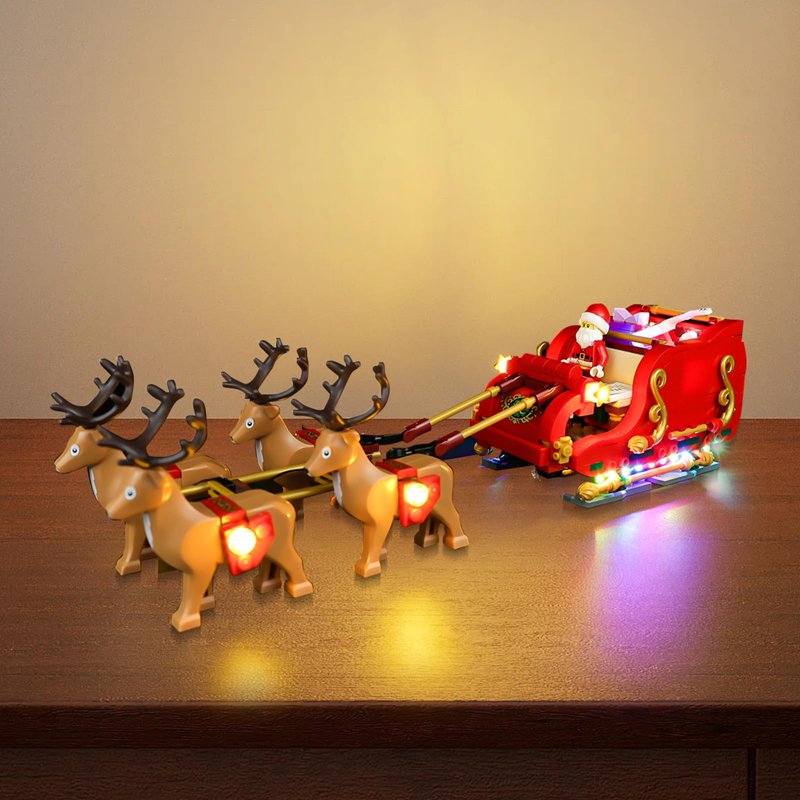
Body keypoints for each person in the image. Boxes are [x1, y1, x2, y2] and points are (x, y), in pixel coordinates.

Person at [562, 303, 610, 378]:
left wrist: (599, 367)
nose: (585, 329)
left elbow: (603, 356)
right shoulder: (579, 341)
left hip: (590, 373)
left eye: (588, 326)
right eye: (583, 325)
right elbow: (572, 353)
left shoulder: (598, 344)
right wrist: (567, 361)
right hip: (574, 371)